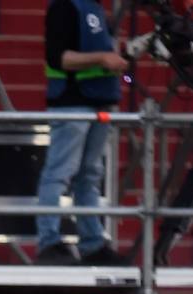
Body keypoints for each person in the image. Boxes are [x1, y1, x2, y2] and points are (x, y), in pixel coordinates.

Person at [34, 0, 127, 266]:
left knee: (89, 175)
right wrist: (102, 58)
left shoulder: (94, 9)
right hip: (72, 101)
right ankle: (49, 241)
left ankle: (93, 243)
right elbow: (59, 58)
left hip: (99, 101)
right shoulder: (65, 7)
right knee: (60, 172)